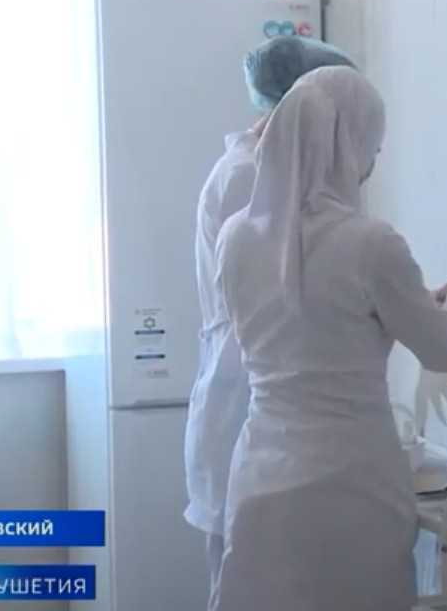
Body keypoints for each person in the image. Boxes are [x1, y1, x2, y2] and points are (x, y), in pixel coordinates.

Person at [210, 66, 447, 611]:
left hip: (262, 481)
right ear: (350, 146)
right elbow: (445, 349)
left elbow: (307, 320)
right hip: (352, 487)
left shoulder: (237, 237)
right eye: (372, 149)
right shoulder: (370, 243)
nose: (372, 165)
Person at [184, 35, 356, 603]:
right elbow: (285, 292)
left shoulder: (263, 174)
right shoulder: (246, 177)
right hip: (244, 403)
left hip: (257, 408)